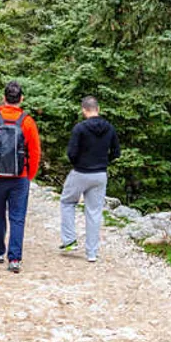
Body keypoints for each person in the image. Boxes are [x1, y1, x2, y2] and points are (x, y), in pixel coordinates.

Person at [0, 80, 41, 273]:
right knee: (17, 218)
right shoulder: (27, 121)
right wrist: (29, 175)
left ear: (4, 98)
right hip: (19, 177)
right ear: (21, 99)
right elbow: (35, 151)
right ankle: (14, 259)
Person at [60, 96, 120, 263]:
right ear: (98, 109)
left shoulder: (80, 128)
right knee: (94, 212)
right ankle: (92, 253)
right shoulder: (109, 128)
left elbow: (71, 152)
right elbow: (116, 152)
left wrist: (78, 162)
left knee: (67, 202)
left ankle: (69, 240)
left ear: (84, 110)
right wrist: (103, 162)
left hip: (80, 172)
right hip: (100, 174)